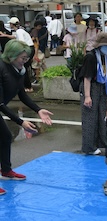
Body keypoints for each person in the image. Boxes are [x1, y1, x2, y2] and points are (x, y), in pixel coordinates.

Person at [0, 39, 53, 195]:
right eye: (22, 58)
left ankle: (6, 171)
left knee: (5, 137)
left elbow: (22, 94)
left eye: (26, 58)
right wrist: (21, 122)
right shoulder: (1, 69)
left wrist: (38, 110)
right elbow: (1, 104)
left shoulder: (19, 71)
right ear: (11, 56)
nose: (25, 61)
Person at [79, 32, 107, 154]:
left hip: (102, 87)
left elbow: (106, 73)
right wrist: (87, 96)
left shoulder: (106, 57)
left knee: (102, 116)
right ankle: (89, 147)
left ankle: (101, 143)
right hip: (90, 88)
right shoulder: (91, 57)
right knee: (90, 117)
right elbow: (87, 77)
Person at [0, 17, 35, 93]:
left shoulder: (19, 31)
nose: (9, 25)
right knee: (23, 67)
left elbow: (21, 42)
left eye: (10, 24)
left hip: (27, 49)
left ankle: (28, 86)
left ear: (12, 24)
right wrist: (5, 35)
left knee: (23, 68)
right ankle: (26, 86)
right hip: (30, 48)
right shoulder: (20, 30)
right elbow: (14, 37)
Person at [30, 20, 47, 84]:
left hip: (37, 50)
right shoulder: (44, 31)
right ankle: (48, 76)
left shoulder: (35, 31)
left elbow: (36, 41)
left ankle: (37, 79)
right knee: (42, 64)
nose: (39, 28)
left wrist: (35, 54)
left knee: (36, 65)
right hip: (42, 50)